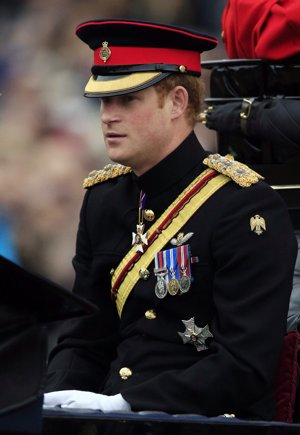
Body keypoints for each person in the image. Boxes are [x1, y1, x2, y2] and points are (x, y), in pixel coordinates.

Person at [43, 19, 297, 421]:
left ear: (177, 102)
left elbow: (244, 366)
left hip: (207, 423)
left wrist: (126, 404)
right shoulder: (104, 199)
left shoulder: (245, 207)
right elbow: (84, 338)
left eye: (127, 101)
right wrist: (55, 402)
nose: (108, 116)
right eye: (104, 101)